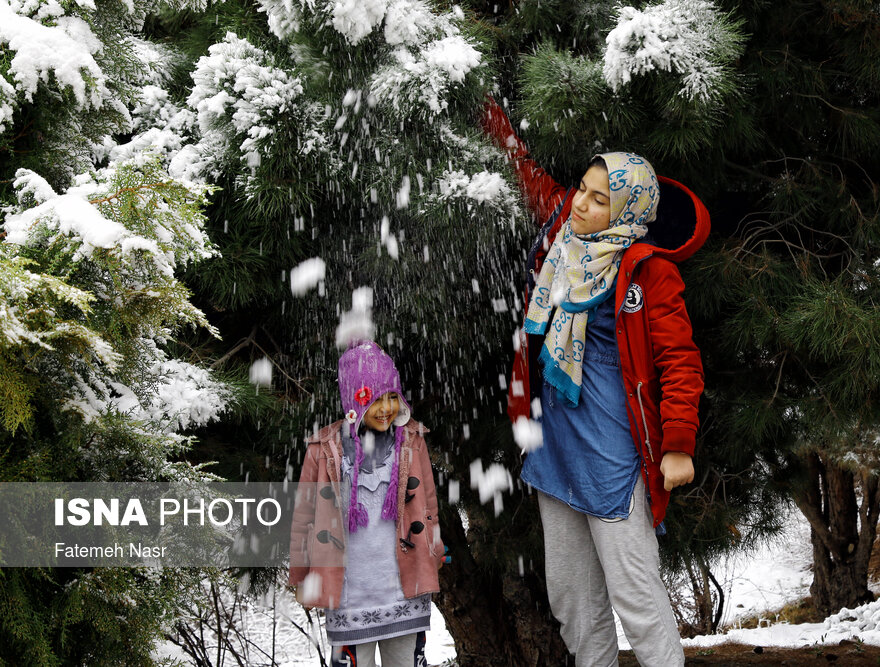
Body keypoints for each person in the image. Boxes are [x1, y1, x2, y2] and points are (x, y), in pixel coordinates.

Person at [482, 98, 710, 667]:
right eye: (582, 188)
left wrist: (679, 445)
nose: (581, 202)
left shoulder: (649, 271)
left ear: (627, 211)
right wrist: (486, 115)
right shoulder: (565, 236)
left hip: (614, 455)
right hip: (554, 446)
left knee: (635, 594)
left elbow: (681, 360)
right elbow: (527, 176)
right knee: (573, 601)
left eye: (599, 198)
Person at [289, 340, 443, 667]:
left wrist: (435, 550)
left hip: (404, 592)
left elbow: (428, 504)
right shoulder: (324, 450)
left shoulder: (411, 442)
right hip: (350, 597)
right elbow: (304, 516)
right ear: (353, 402)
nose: (386, 407)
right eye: (375, 399)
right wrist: (303, 576)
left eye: (392, 397)